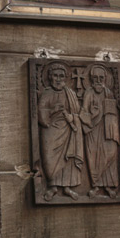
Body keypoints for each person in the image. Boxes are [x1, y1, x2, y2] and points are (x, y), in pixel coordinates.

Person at [38, 63, 84, 201]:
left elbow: (77, 112)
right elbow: (40, 113)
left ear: (65, 78)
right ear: (50, 77)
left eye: (61, 76)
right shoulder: (47, 93)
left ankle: (67, 187)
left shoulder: (70, 93)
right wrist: (52, 111)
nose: (58, 79)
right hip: (51, 130)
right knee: (49, 158)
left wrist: (72, 117)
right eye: (55, 76)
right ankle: (52, 187)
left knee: (68, 158)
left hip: (68, 129)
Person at [80, 65, 120, 198]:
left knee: (111, 153)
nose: (98, 81)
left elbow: (113, 112)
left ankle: (108, 186)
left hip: (107, 129)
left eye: (101, 78)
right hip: (93, 130)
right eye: (95, 78)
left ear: (105, 79)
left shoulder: (108, 92)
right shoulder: (89, 93)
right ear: (91, 80)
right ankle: (96, 186)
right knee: (94, 158)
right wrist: (93, 114)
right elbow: (83, 113)